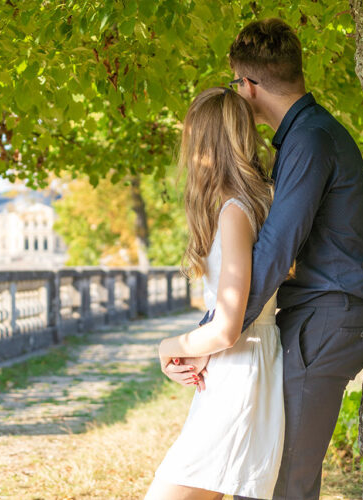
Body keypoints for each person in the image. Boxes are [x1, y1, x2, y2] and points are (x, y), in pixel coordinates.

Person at [163, 19, 363, 500]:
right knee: (265, 482)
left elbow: (276, 251)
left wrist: (211, 336)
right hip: (315, 319)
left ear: (250, 85)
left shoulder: (310, 140)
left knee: (284, 486)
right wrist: (211, 333)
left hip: (325, 320)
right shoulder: (305, 138)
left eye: (237, 83)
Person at [145, 87, 286, 500]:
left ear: (204, 144)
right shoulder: (244, 206)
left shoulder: (234, 212)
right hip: (238, 368)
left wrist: (168, 347)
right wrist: (193, 349)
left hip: (240, 374)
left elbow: (227, 328)